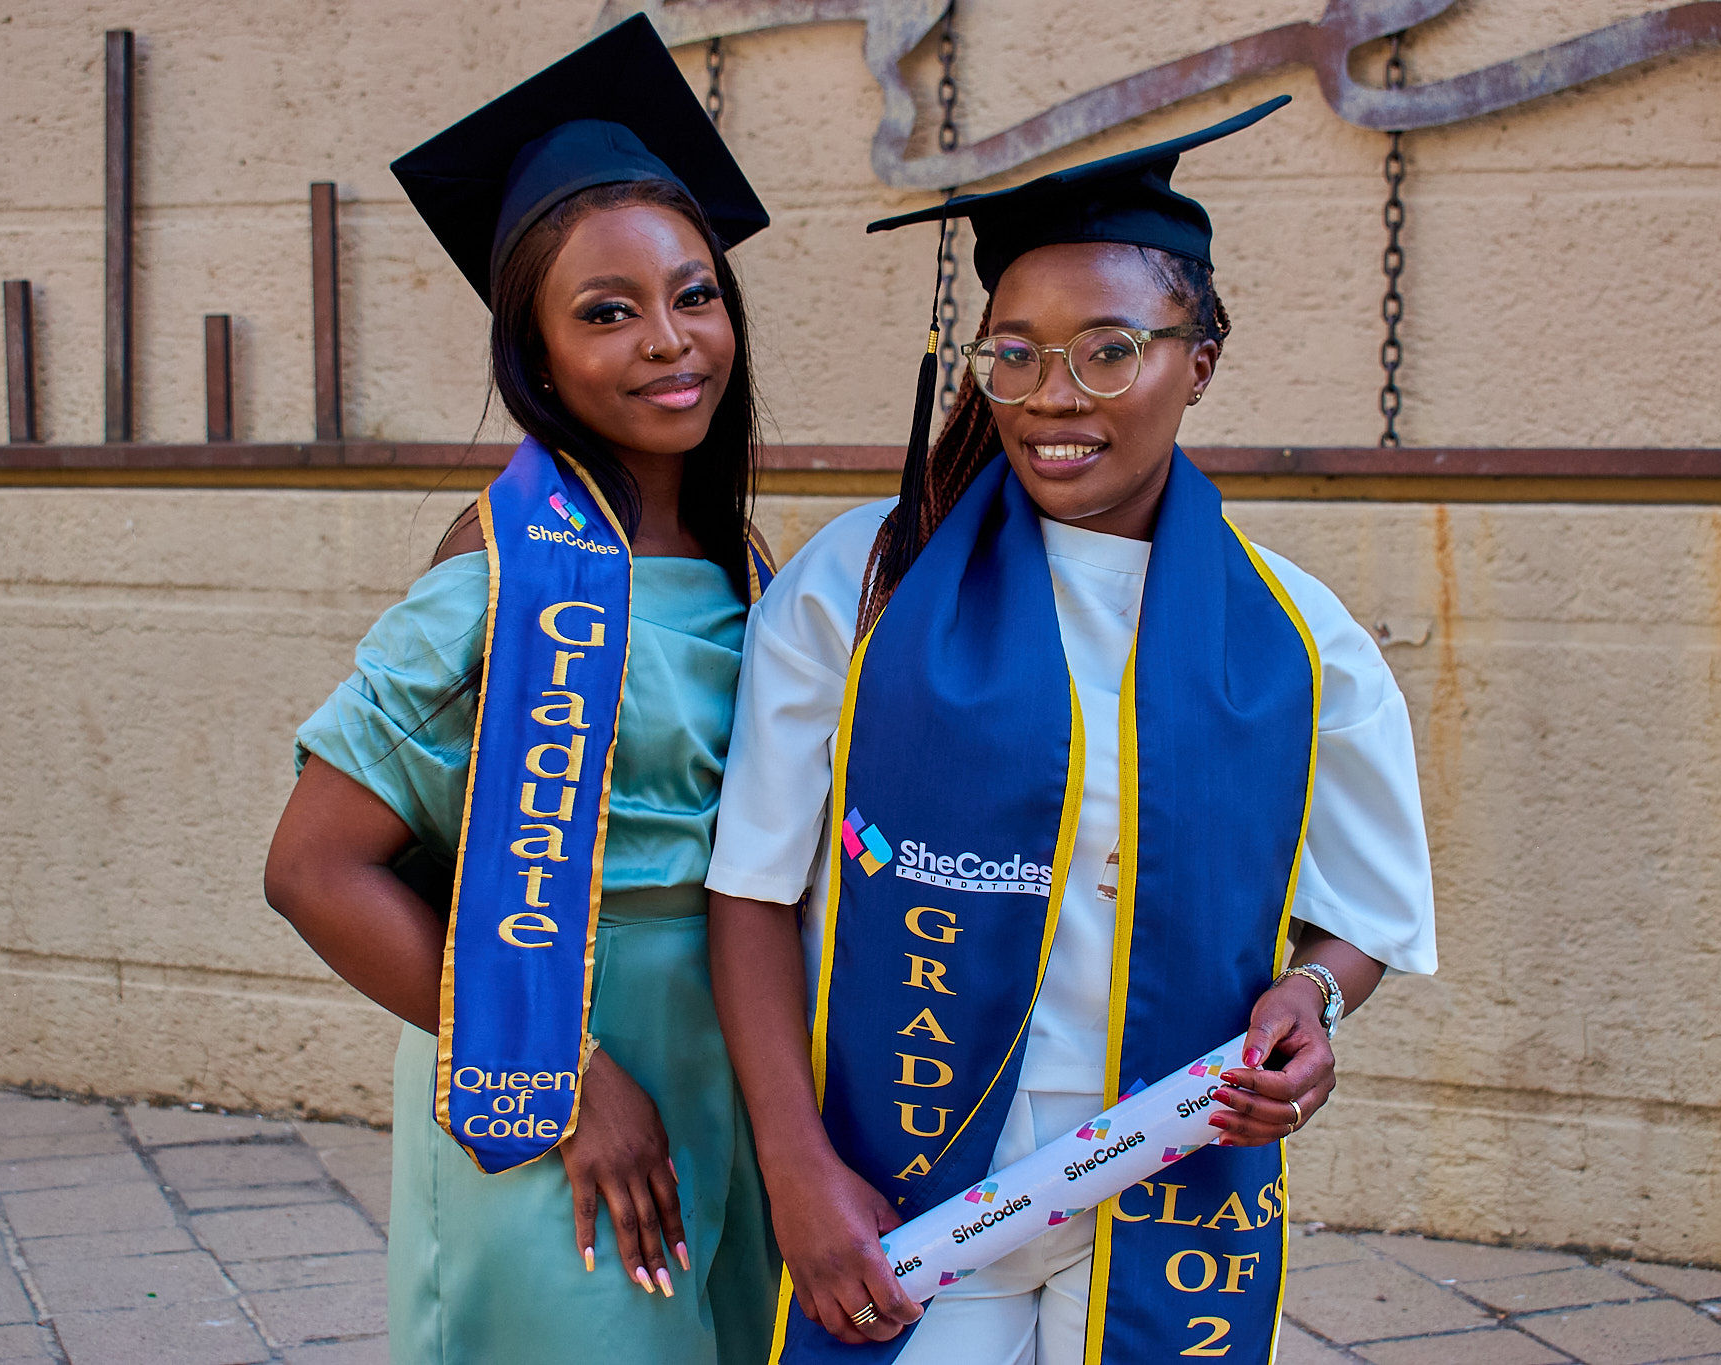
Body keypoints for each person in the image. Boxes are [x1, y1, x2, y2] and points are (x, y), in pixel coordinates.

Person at [703, 96, 1438, 1364]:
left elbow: (1360, 919)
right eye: (1016, 353)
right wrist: (792, 1164)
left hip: (1171, 1173)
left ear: (1197, 361)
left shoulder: (1298, 644)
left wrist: (1311, 1001)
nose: (1053, 397)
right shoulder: (861, 591)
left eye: (1109, 351)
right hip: (906, 1182)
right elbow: (752, 889)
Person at [263, 17, 778, 1363]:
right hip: (547, 1058)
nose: (669, 341)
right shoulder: (503, 580)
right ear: (537, 355)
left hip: (738, 1060)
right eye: (607, 312)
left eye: (694, 295)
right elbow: (314, 869)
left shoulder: (744, 565)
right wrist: (565, 1084)